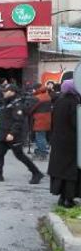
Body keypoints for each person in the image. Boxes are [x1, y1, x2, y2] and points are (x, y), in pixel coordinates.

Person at [0, 84, 44, 184]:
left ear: (12, 92)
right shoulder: (8, 102)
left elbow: (18, 121)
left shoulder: (17, 104)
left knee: (20, 155)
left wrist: (12, 133)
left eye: (6, 90)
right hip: (4, 134)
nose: (3, 92)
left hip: (13, 136)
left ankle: (36, 173)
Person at [48, 80, 81, 208]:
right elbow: (76, 124)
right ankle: (69, 199)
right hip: (71, 142)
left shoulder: (59, 101)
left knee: (60, 171)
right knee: (70, 172)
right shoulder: (75, 103)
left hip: (58, 141)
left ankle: (62, 198)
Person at [30, 84, 52, 161]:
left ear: (37, 89)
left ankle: (43, 153)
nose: (32, 91)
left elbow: (31, 109)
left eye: (33, 89)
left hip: (39, 119)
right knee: (41, 136)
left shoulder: (38, 98)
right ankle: (40, 152)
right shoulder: (47, 95)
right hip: (46, 119)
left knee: (40, 137)